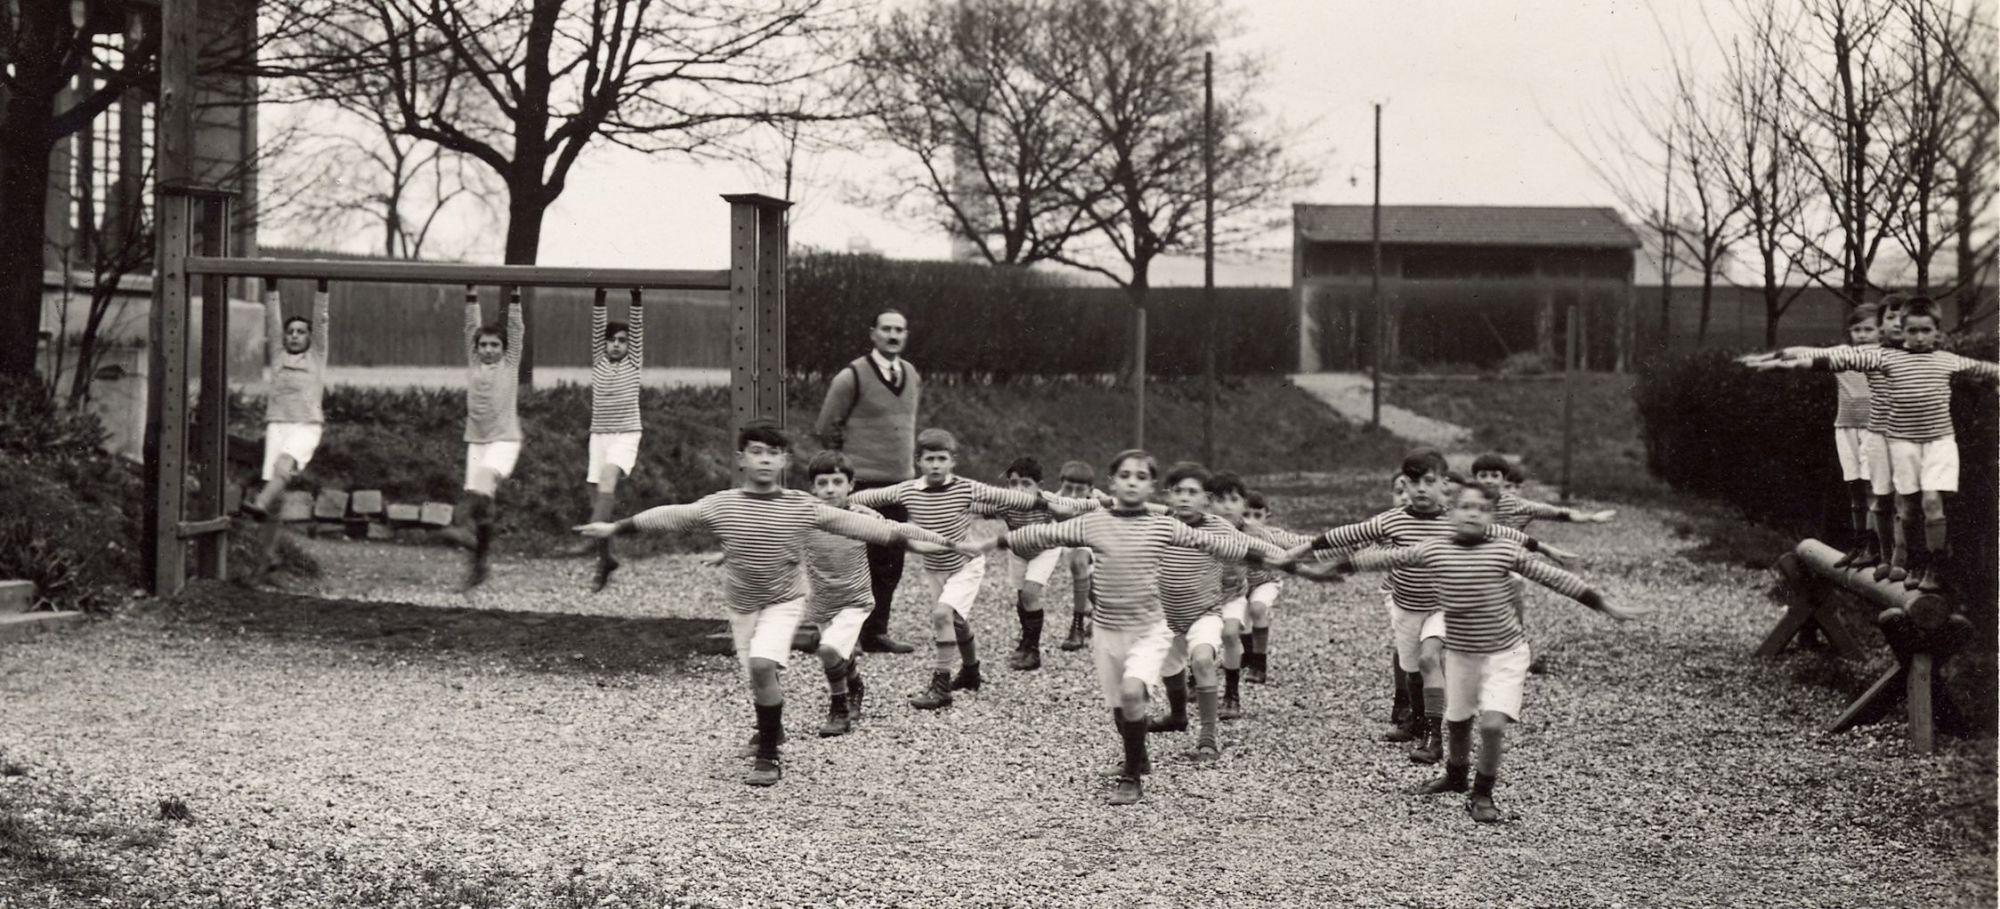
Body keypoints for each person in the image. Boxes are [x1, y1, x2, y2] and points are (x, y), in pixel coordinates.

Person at [574, 422, 948, 786]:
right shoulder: (722, 504)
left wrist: (933, 541)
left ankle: (768, 755)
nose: (765, 460)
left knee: (762, 664)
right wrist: (616, 527)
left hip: (784, 602)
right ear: (741, 459)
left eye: (773, 453)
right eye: (757, 452)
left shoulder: (802, 505)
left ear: (784, 461)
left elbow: (873, 529)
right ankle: (775, 729)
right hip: (742, 605)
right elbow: (674, 514)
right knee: (757, 676)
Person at [957, 450, 1293, 806]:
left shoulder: (1165, 525)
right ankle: (1139, 757)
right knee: (1122, 704)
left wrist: (1295, 559)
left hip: (1154, 625)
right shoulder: (1095, 521)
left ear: (1150, 487)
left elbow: (1228, 542)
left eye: (1141, 476)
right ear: (1112, 483)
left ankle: (1138, 774)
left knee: (1137, 691)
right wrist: (985, 543)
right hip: (1107, 628)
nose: (1133, 481)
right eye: (1125, 475)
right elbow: (1044, 533)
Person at [1305, 483, 1647, 823]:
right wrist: (1327, 568)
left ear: (1491, 517)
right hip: (1462, 653)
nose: (1472, 513)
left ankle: (1482, 792)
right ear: (1452, 513)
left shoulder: (1503, 551)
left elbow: (1556, 579)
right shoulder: (1435, 549)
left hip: (1505, 653)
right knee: (1458, 721)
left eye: (1481, 509)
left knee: (1492, 725)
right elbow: (1384, 557)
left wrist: (1607, 606)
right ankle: (1455, 777)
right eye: (1465, 506)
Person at [1292, 450, 1569, 765]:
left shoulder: (1456, 519)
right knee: (1412, 669)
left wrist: (1547, 548)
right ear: (1405, 486)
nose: (1421, 489)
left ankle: (1434, 737)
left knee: (1428, 659)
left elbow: (1505, 533)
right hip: (1406, 605)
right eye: (1413, 482)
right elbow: (1346, 533)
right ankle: (1416, 720)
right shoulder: (1392, 520)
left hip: (1442, 605)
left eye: (1429, 481)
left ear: (1444, 485)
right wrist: (1296, 551)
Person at [1755, 296, 2000, 592]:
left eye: (1926, 330)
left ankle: (1935, 568)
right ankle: (1915, 561)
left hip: (1939, 442)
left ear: (1938, 332)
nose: (1919, 337)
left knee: (1932, 503)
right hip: (1902, 443)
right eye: (1912, 331)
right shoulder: (1886, 358)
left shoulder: (1948, 360)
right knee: (1908, 509)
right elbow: (1842, 359)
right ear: (1902, 330)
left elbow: (1987, 369)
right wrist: (1792, 365)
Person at [851, 429, 1079, 709]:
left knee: (942, 615)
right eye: (929, 458)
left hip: (965, 564)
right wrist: (845, 504)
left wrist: (1054, 504)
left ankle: (941, 686)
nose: (935, 464)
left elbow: (1008, 497)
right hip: (935, 566)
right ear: (918, 461)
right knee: (956, 622)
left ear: (952, 461)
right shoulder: (906, 490)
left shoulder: (966, 488)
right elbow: (868, 497)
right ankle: (971, 671)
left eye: (941, 458)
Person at [814, 309, 921, 654]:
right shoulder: (852, 377)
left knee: (890, 563)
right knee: (852, 563)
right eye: (886, 329)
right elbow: (826, 426)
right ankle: (848, 635)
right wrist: (845, 475)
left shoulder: (911, 374)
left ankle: (876, 633)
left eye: (899, 330)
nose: (893, 335)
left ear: (906, 335)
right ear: (872, 333)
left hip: (900, 486)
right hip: (862, 488)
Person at [1150, 463, 1256, 761]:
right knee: (1169, 668)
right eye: (1179, 491)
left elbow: (1253, 546)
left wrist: (1296, 558)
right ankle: (1178, 716)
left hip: (1205, 613)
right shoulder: (1159, 523)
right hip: (1167, 615)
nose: (1185, 498)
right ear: (1168, 496)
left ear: (1206, 499)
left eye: (1193, 492)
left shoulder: (1218, 527)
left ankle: (1208, 738)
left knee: (1202, 660)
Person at [242, 278, 330, 583]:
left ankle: (259, 503)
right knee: (277, 490)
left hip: (306, 424)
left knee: (283, 468)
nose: (294, 336)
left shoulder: (316, 357)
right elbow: (272, 320)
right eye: (290, 332)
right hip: (278, 423)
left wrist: (321, 289)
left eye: (300, 332)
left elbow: (321, 324)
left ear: (308, 338)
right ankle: (267, 556)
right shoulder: (279, 356)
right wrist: (271, 289)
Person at [975, 456, 1098, 672]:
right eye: (1013, 483)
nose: (1019, 489)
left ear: (1038, 487)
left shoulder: (1045, 503)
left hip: (1044, 550)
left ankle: (1034, 652)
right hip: (1018, 551)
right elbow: (978, 508)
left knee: (1031, 594)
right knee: (1022, 598)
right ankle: (1025, 641)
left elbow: (1066, 515)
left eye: (1026, 484)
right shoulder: (1005, 503)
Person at [449, 288, 524, 590]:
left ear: (504, 349)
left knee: (481, 485)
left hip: (504, 439)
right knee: (482, 503)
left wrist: (516, 297)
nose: (489, 349)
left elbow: (516, 331)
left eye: (495, 345)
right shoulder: (474, 364)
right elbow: (470, 327)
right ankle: (479, 564)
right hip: (477, 441)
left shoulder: (509, 365)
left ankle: (455, 525)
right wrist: (471, 295)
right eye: (484, 345)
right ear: (476, 348)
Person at [584, 288, 644, 592]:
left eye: (622, 341)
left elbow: (637, 331)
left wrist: (636, 300)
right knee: (596, 494)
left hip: (625, 433)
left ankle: (592, 538)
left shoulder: (633, 364)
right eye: (612, 340)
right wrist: (599, 299)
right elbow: (597, 328)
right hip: (599, 435)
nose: (617, 345)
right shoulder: (599, 362)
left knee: (609, 479)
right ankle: (605, 558)